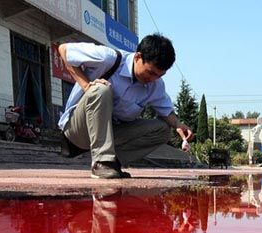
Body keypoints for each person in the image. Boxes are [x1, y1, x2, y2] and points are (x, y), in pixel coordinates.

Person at [57, 34, 193, 179]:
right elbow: (64, 50)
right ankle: (101, 163)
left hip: (111, 132)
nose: (152, 79)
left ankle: (112, 162)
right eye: (150, 72)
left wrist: (178, 125)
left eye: (159, 75)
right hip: (78, 130)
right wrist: (86, 86)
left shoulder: (155, 85)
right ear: (137, 57)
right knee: (100, 89)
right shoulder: (108, 58)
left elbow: (166, 111)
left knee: (163, 129)